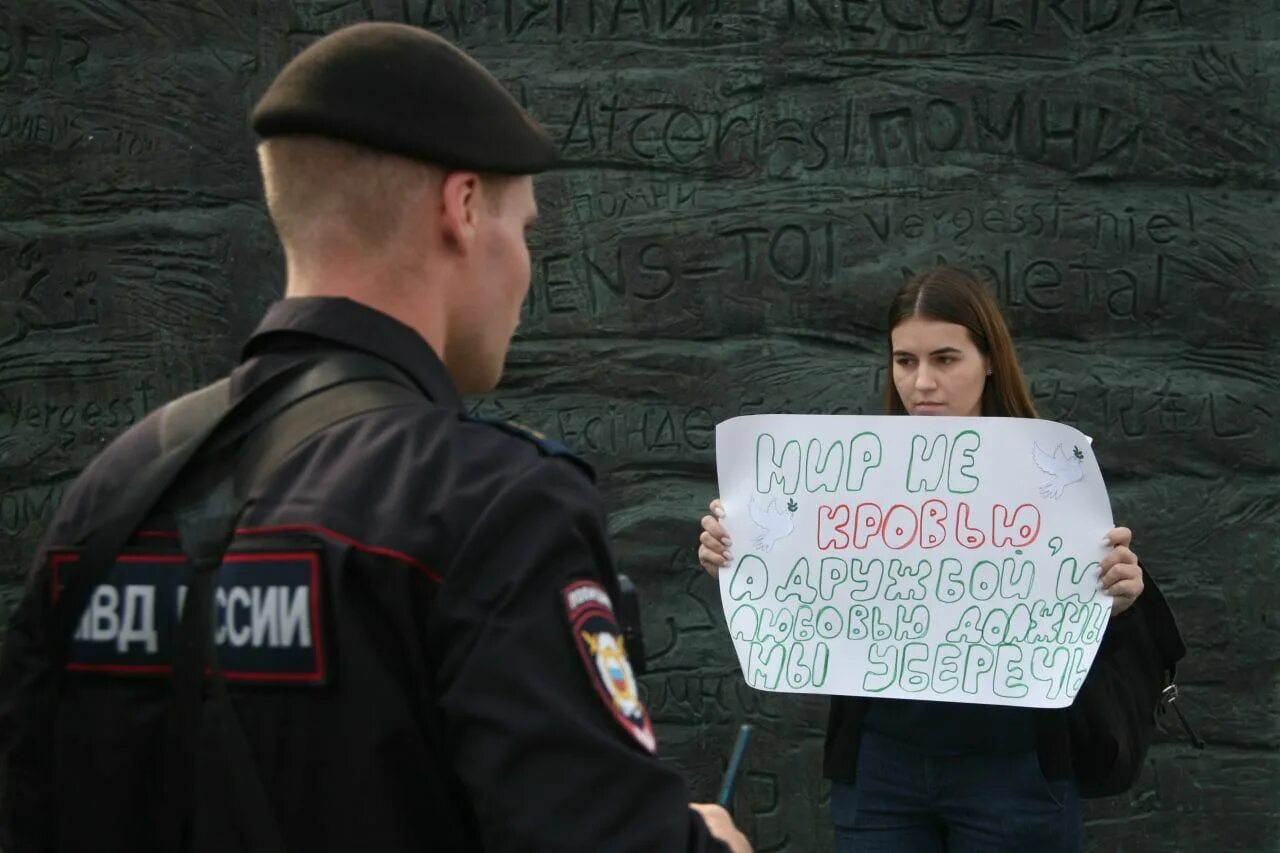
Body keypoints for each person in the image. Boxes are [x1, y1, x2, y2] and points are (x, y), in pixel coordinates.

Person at [0, 22, 750, 853]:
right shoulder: (490, 504)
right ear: (463, 209)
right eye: (527, 229)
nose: (528, 267)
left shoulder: (112, 493)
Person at [697, 264, 1151, 853]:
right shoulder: (844, 474)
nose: (922, 383)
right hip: (883, 764)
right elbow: (808, 585)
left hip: (1015, 768)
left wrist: (1120, 600)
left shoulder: (1054, 473)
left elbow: (1083, 611)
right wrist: (737, 560)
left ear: (989, 360)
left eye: (945, 359)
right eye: (905, 361)